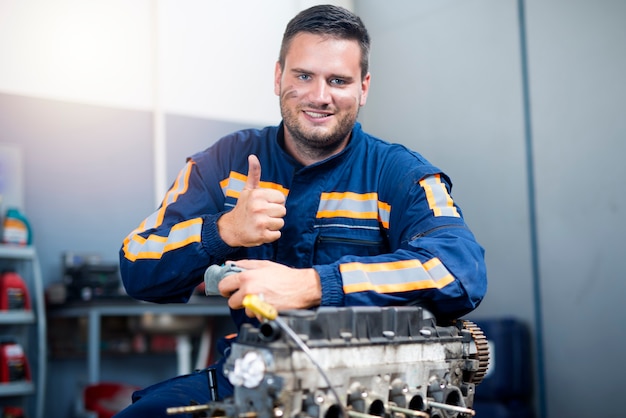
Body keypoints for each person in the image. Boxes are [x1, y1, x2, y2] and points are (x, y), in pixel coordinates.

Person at [115, 4, 487, 417]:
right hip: (251, 376)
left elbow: (460, 269)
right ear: (278, 77)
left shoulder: (399, 175)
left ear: (364, 87)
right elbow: (136, 263)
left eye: (338, 80)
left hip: (366, 390)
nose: (319, 96)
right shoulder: (223, 164)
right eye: (304, 76)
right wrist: (223, 231)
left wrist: (315, 285)